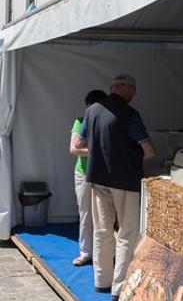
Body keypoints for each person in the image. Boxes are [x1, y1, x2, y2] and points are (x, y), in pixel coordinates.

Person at [76, 74, 156, 297]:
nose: (133, 95)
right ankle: (119, 286)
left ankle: (101, 280)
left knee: (102, 231)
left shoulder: (92, 111)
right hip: (125, 181)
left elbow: (79, 142)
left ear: (112, 88)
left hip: (98, 178)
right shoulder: (130, 114)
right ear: (129, 90)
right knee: (126, 233)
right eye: (133, 92)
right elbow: (150, 151)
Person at [70, 90, 109, 267]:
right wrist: (99, 152)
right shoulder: (80, 121)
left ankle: (104, 252)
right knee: (86, 214)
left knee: (105, 215)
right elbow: (74, 149)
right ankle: (86, 252)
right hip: (84, 174)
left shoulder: (108, 122)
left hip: (104, 174)